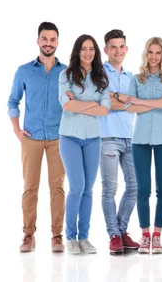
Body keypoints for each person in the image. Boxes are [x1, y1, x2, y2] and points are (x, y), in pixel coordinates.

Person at [8, 21, 67, 252]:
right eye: (45, 39)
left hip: (58, 138)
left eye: (53, 39)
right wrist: (16, 130)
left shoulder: (66, 71)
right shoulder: (24, 71)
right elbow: (13, 101)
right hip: (31, 137)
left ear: (57, 42)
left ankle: (57, 235)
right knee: (30, 186)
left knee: (57, 187)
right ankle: (28, 234)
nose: (48, 43)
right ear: (38, 41)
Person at [126, 37, 162, 254]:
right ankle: (145, 235)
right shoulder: (137, 79)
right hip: (140, 141)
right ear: (146, 54)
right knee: (143, 189)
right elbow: (129, 108)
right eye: (151, 52)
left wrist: (141, 102)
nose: (154, 57)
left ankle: (157, 236)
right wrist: (157, 102)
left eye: (158, 52)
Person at [58, 34, 110, 254]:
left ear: (96, 52)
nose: (88, 53)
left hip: (92, 139)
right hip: (69, 137)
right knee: (76, 187)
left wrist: (79, 103)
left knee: (88, 189)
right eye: (83, 49)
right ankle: (70, 237)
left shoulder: (101, 77)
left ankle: (84, 237)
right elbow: (66, 106)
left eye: (91, 49)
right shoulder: (66, 75)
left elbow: (105, 108)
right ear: (77, 52)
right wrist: (92, 104)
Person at [98, 29, 139, 254]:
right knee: (110, 188)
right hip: (108, 138)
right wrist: (126, 101)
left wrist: (117, 97)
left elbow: (139, 103)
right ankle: (113, 234)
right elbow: (106, 103)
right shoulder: (99, 74)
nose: (118, 50)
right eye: (113, 47)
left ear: (126, 49)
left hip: (130, 138)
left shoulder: (131, 77)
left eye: (121, 46)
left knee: (135, 186)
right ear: (106, 50)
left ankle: (122, 231)